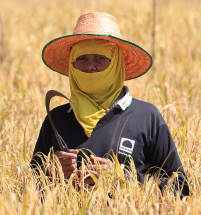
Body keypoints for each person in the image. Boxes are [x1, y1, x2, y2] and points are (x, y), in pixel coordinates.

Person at [31, 12, 189, 198]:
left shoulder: (146, 117)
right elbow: (28, 190)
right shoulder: (56, 119)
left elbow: (181, 190)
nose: (90, 66)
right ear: (71, 64)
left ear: (116, 63)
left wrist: (122, 177)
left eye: (100, 58)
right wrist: (53, 173)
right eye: (81, 58)